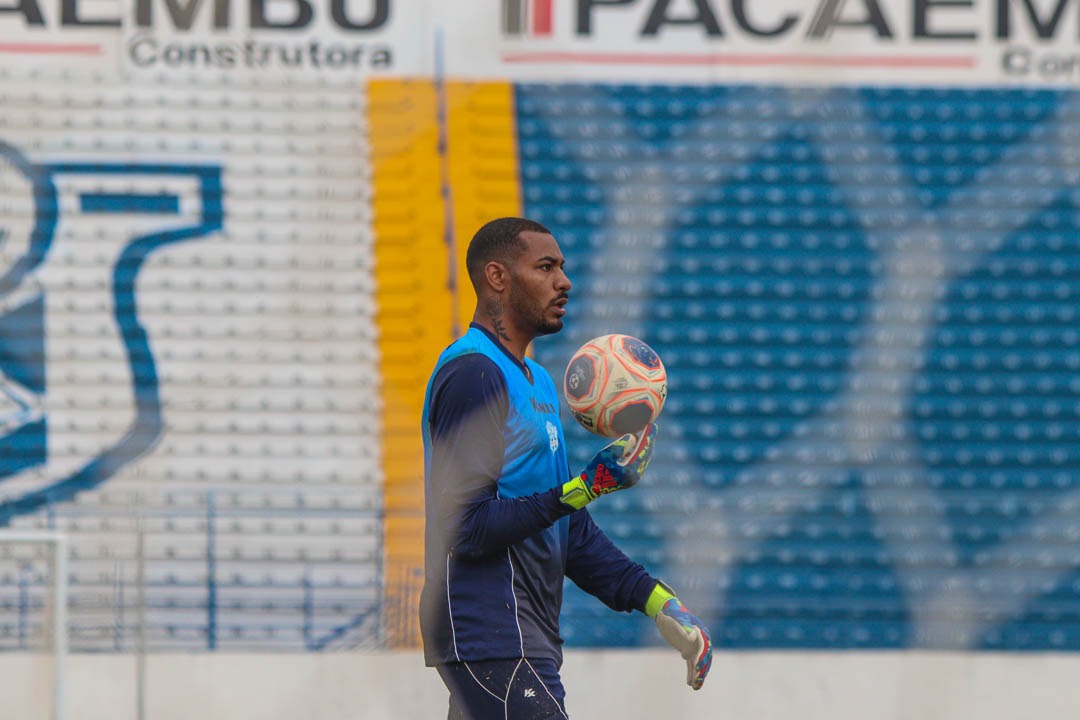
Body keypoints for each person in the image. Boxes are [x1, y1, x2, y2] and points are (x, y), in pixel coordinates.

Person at [419, 217, 712, 719]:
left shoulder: (534, 381)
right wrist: (585, 486)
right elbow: (465, 527)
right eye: (546, 267)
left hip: (522, 637)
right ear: (497, 277)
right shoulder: (473, 374)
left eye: (563, 267)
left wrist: (656, 601)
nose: (565, 281)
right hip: (491, 630)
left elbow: (568, 530)